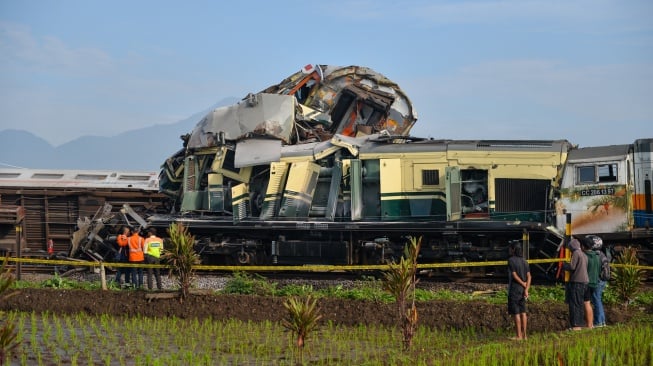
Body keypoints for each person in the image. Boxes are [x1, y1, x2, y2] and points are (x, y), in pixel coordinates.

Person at [562, 237, 588, 330]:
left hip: (577, 282)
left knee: (574, 303)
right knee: (580, 303)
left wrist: (565, 265)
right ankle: (580, 323)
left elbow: (572, 267)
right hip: (584, 282)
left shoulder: (576, 253)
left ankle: (576, 325)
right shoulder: (584, 254)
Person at [507, 241, 531, 340]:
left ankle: (518, 335)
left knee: (516, 313)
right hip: (523, 290)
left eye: (510, 248)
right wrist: (526, 288)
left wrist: (522, 283)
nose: (509, 250)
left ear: (513, 249)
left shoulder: (511, 260)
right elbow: (529, 276)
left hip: (515, 289)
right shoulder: (525, 261)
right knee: (523, 312)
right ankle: (525, 336)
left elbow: (514, 275)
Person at [587, 235, 608, 327]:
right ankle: (602, 321)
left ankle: (599, 322)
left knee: (596, 299)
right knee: (598, 299)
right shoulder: (602, 254)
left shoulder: (596, 255)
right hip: (603, 280)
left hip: (598, 280)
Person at [582, 238, 598, 329]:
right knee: (588, 303)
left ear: (583, 246)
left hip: (586, 283)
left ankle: (589, 325)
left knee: (586, 303)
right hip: (594, 282)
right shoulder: (597, 256)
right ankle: (590, 324)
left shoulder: (585, 256)